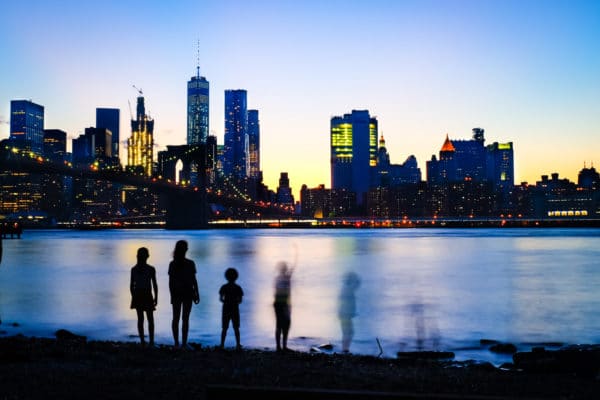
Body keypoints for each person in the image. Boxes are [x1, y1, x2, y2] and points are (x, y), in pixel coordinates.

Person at [168, 240, 199, 349]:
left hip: (177, 293)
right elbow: (194, 280)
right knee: (185, 319)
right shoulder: (190, 263)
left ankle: (176, 343)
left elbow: (171, 282)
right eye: (186, 247)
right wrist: (197, 293)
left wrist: (171, 295)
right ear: (185, 249)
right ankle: (184, 343)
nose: (187, 249)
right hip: (187, 293)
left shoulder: (173, 264)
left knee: (175, 318)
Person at [129, 247, 158, 347]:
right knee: (150, 319)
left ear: (137, 256)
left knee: (140, 318)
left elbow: (131, 286)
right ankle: (151, 341)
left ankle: (142, 341)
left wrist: (133, 296)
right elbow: (154, 284)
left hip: (138, 294)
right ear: (147, 257)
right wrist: (156, 297)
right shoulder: (150, 269)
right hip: (146, 294)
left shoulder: (134, 269)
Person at [219, 267, 244, 350]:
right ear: (236, 277)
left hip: (226, 308)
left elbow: (221, 299)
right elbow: (240, 300)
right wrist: (235, 302)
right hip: (235, 309)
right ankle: (238, 345)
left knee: (224, 328)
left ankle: (222, 345)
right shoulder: (238, 288)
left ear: (226, 276)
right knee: (236, 327)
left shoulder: (224, 287)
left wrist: (226, 301)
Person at [273, 261, 294, 352]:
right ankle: (283, 346)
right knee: (286, 324)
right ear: (285, 269)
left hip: (277, 303)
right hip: (284, 304)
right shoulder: (287, 278)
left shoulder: (277, 278)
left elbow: (276, 293)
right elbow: (293, 267)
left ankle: (279, 347)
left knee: (279, 324)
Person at [338, 271, 360, 353]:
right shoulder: (348, 289)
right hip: (345, 315)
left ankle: (345, 349)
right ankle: (345, 349)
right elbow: (357, 284)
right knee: (348, 332)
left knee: (347, 332)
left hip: (345, 315)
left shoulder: (346, 288)